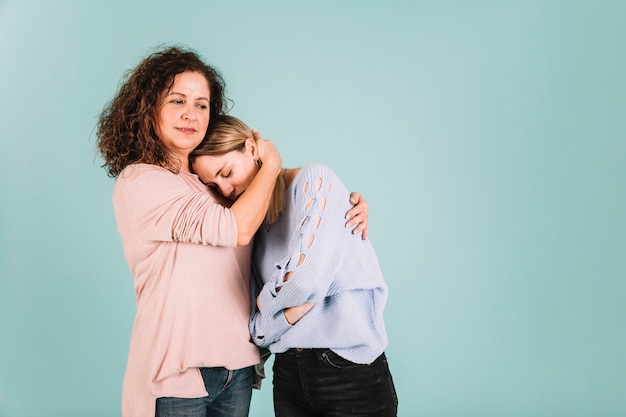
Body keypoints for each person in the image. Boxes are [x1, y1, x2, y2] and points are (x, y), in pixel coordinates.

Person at [95, 46, 370, 417]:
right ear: (149, 108)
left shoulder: (218, 187)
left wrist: (340, 199)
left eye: (202, 104)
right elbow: (237, 229)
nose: (190, 114)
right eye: (177, 100)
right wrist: (272, 161)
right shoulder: (141, 181)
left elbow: (280, 202)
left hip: (238, 368)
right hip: (177, 375)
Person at [190, 115, 398, 417]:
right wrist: (284, 315)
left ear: (251, 149)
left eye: (227, 172)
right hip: (289, 375)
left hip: (349, 370)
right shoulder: (250, 224)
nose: (224, 189)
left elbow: (304, 282)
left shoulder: (315, 182)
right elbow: (257, 331)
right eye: (213, 184)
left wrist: (267, 303)